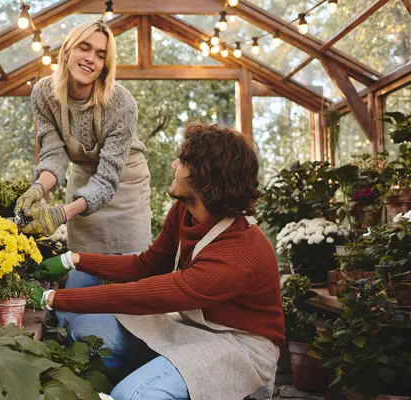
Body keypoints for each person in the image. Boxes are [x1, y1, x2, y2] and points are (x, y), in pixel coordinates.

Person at [30, 124, 285, 400]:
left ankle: (164, 386)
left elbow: (142, 297)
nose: (175, 164)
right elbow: (146, 265)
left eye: (183, 161)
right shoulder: (185, 211)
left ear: (204, 176)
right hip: (193, 328)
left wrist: (52, 298)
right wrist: (74, 259)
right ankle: (170, 382)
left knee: (133, 395)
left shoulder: (238, 254)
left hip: (240, 347)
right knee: (84, 331)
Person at [15, 20, 151, 256]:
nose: (90, 58)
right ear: (67, 50)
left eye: (100, 55)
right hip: (82, 181)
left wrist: (61, 214)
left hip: (125, 185)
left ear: (104, 67)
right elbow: (54, 153)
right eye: (84, 48)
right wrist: (37, 188)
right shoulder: (43, 93)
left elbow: (108, 179)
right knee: (82, 268)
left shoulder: (121, 103)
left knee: (128, 275)